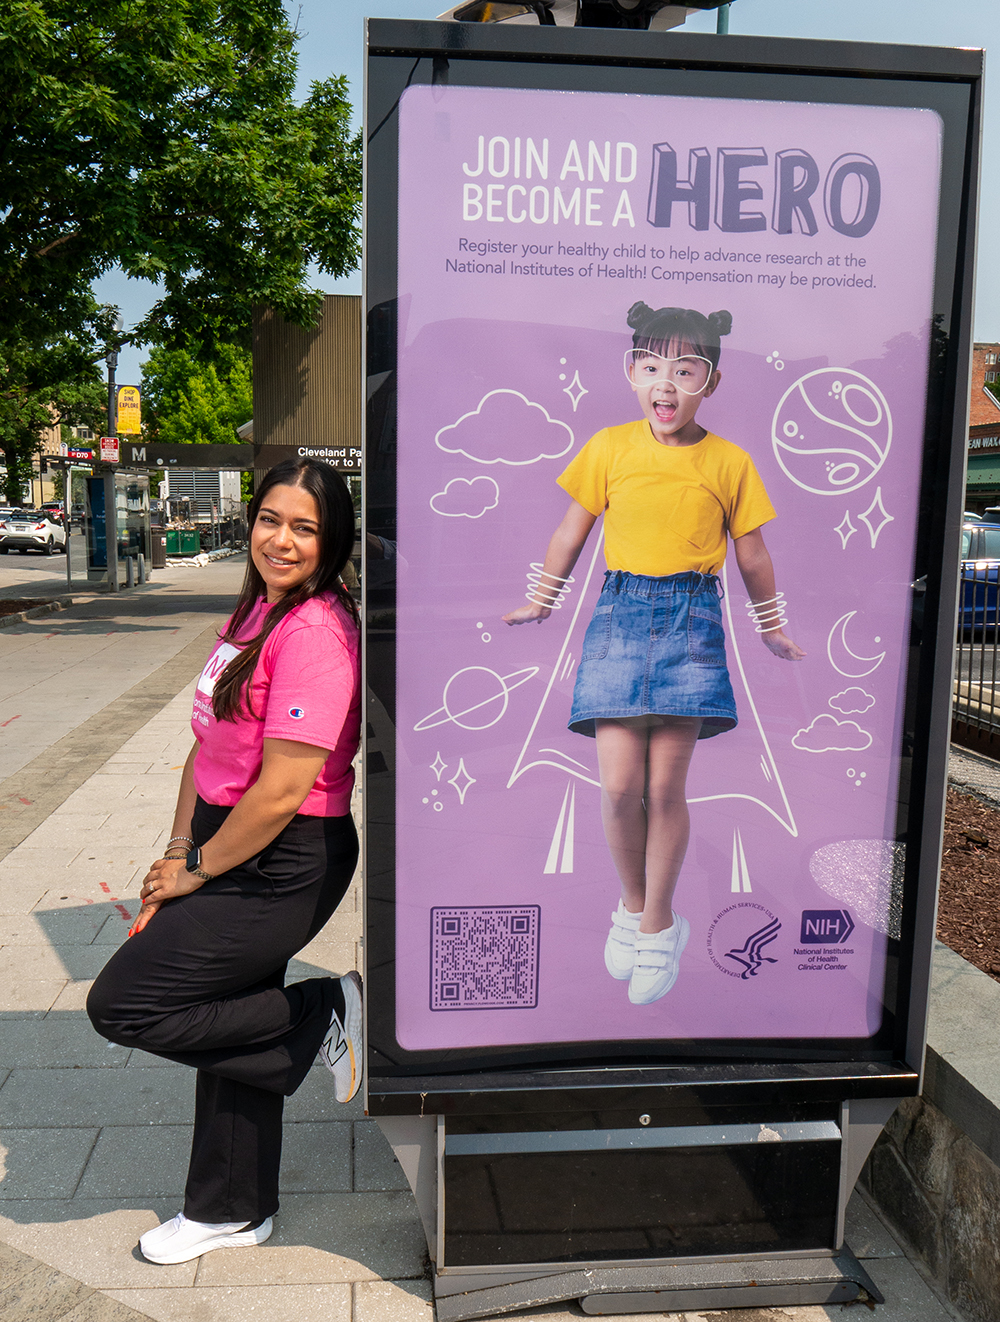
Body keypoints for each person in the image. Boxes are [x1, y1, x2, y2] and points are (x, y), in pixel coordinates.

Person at [87, 456, 363, 1264]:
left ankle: (328, 1012)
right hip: (224, 837)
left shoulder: (316, 630)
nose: (280, 540)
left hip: (283, 859)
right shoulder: (259, 608)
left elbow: (282, 790)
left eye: (304, 528)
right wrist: (178, 850)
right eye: (270, 519)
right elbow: (204, 744)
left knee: (126, 1004)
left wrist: (199, 870)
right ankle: (229, 1209)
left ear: (332, 539)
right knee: (226, 1012)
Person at [503, 303, 805, 1006]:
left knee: (664, 789)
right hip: (618, 616)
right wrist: (543, 600)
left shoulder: (729, 461)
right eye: (652, 368)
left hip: (692, 621)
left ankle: (661, 926)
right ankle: (633, 908)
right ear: (632, 373)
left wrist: (770, 626)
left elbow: (752, 553)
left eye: (685, 370)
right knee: (616, 787)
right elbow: (571, 532)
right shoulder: (609, 446)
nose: (666, 383)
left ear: (711, 381)